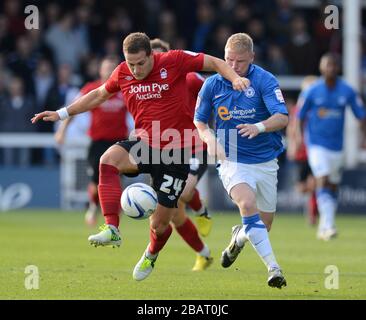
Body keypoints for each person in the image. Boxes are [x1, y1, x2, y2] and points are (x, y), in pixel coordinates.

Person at [32, 32, 250, 281]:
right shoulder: (123, 72)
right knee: (107, 160)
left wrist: (234, 79)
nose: (134, 69)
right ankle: (112, 227)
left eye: (140, 63)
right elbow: (99, 95)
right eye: (130, 63)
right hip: (144, 144)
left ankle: (151, 254)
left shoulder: (174, 61)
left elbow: (214, 63)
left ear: (151, 55)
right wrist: (61, 114)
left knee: (160, 224)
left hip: (176, 153)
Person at [194, 33, 288, 289]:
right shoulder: (212, 84)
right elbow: (200, 121)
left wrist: (258, 127)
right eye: (228, 60)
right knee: (247, 204)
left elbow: (282, 117)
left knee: (263, 226)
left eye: (240, 62)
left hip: (266, 160)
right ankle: (274, 268)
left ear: (252, 58)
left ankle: (239, 238)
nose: (233, 67)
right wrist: (209, 138)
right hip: (232, 158)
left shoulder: (265, 80)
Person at [150, 38, 212, 271]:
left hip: (195, 144)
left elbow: (211, 93)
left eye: (158, 58)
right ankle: (204, 254)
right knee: (174, 214)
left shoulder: (189, 78)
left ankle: (202, 210)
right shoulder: (147, 86)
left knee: (184, 191)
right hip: (165, 150)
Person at [54, 56, 130, 226]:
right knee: (97, 183)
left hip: (119, 142)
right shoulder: (92, 88)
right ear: (100, 70)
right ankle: (93, 206)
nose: (109, 70)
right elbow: (74, 109)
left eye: (112, 67)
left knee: (117, 181)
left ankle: (113, 217)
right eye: (106, 67)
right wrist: (62, 130)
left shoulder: (124, 89)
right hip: (98, 142)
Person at [298, 53, 366, 241]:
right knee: (323, 177)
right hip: (316, 145)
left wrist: (363, 137)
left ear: (338, 68)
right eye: (327, 65)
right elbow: (299, 116)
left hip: (336, 146)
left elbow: (361, 115)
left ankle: (324, 224)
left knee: (333, 185)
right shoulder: (312, 90)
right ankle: (328, 225)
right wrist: (298, 139)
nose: (331, 68)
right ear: (321, 68)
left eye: (334, 65)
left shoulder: (347, 91)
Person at [286, 75, 319, 225]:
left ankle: (313, 214)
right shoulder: (298, 109)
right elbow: (292, 129)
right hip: (301, 152)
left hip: (316, 150)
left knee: (316, 182)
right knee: (302, 187)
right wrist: (293, 146)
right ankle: (312, 198)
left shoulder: (319, 108)